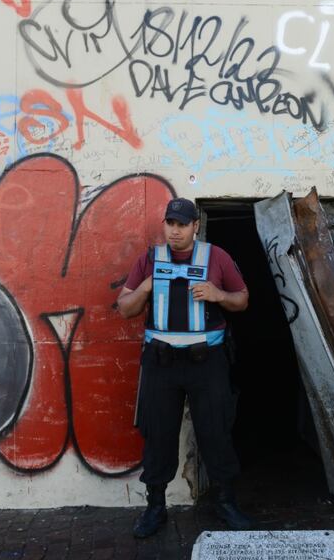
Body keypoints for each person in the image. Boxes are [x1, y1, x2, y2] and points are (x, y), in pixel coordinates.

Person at [117, 197, 254, 538]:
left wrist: (218, 295)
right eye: (170, 224)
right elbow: (125, 308)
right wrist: (147, 286)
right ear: (164, 225)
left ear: (195, 226)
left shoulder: (216, 257)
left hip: (206, 363)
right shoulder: (149, 260)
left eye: (182, 224)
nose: (175, 231)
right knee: (157, 434)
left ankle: (225, 501)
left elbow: (243, 300)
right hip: (161, 364)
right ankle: (155, 507)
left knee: (215, 431)